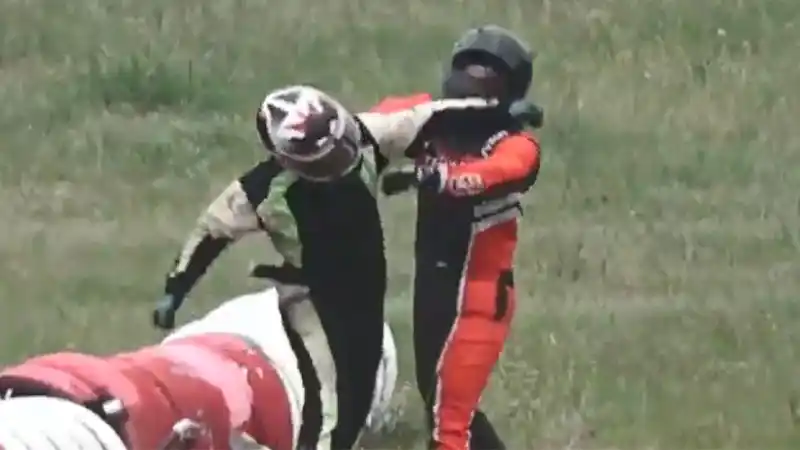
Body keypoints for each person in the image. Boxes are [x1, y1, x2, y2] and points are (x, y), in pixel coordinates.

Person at [150, 84, 505, 450]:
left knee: (359, 394)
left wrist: (496, 110)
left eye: (340, 144)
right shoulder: (258, 192)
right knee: (330, 401)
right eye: (324, 159)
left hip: (366, 292)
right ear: (286, 159)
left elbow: (429, 117)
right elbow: (208, 235)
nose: (339, 159)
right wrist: (174, 291)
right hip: (314, 300)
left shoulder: (365, 136)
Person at [378, 25, 543, 450]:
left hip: (478, 298)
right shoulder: (434, 122)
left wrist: (440, 177)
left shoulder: (514, 145)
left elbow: (492, 174)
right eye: (468, 67)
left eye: (488, 71)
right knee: (440, 401)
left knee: (448, 425)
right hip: (434, 287)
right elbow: (381, 119)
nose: (474, 77)